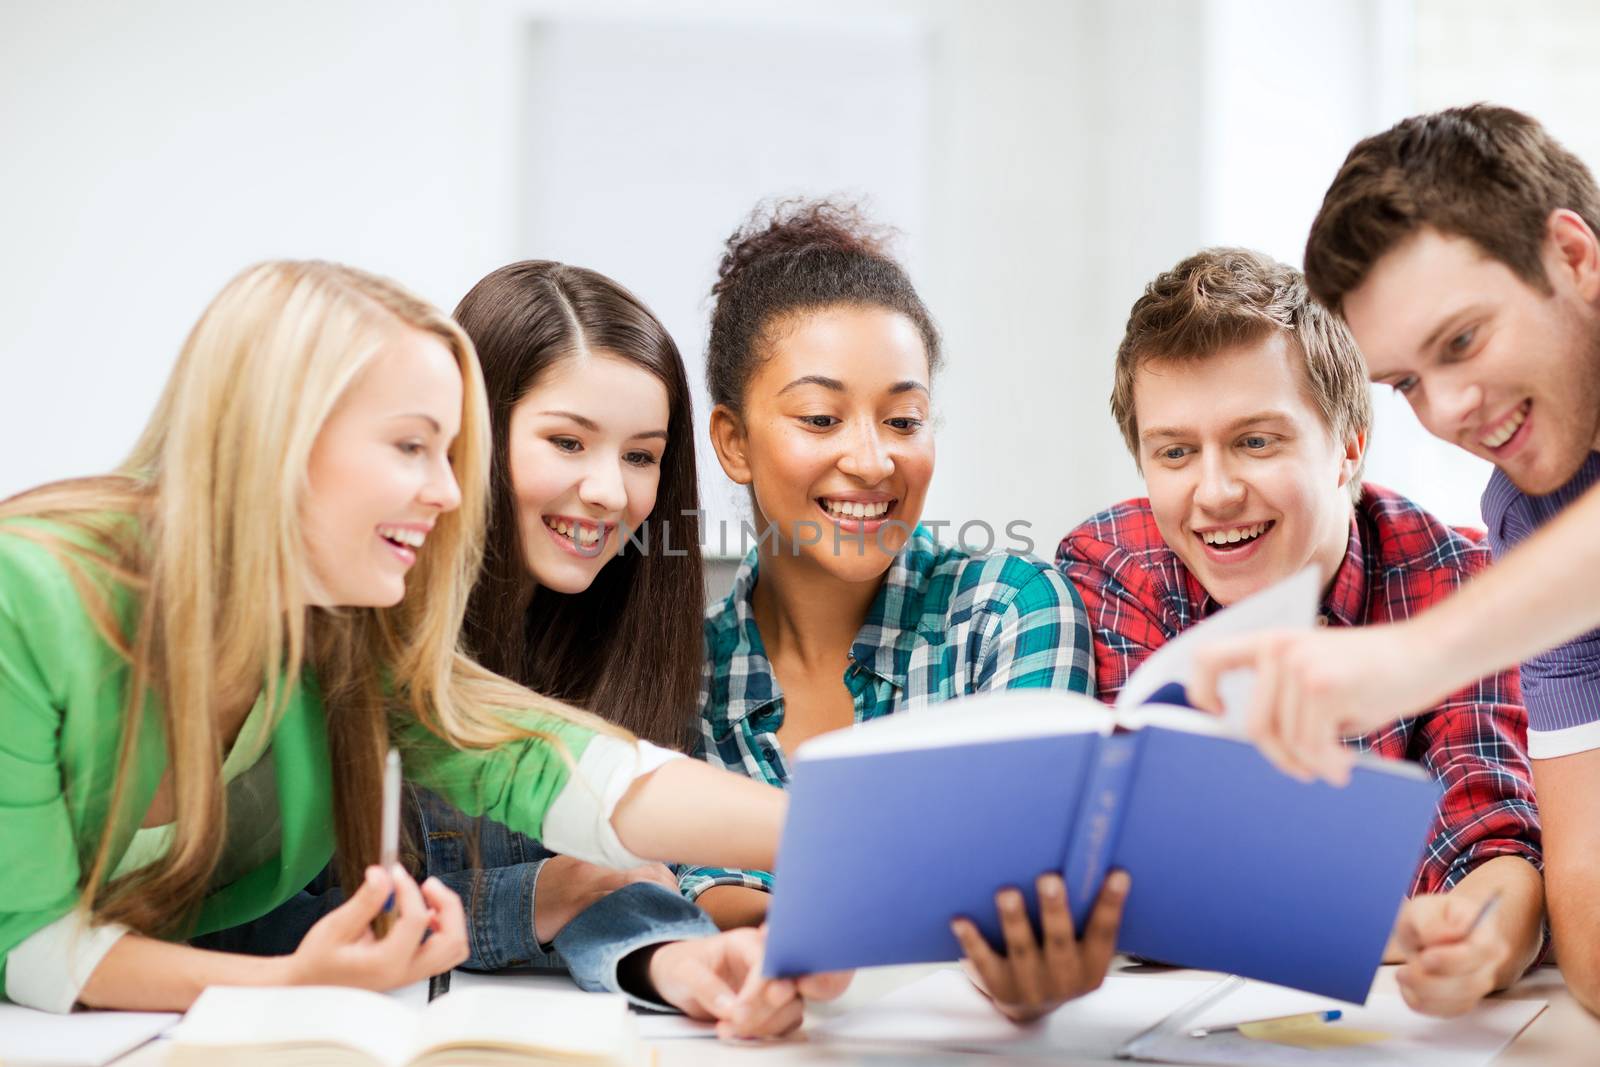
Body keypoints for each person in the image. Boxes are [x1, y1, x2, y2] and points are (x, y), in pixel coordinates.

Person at [0, 260, 821, 1037]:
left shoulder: (341, 625)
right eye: (411, 446)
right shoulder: (28, 594)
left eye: (452, 450)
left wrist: (837, 833)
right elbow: (32, 948)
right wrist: (297, 984)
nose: (453, 491)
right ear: (278, 435)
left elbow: (555, 766)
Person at [1178, 107, 1600, 1013]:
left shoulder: (1493, 576)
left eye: (1462, 342)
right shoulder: (1530, 514)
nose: (1447, 411)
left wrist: (1409, 657)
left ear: (1575, 256)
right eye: (1408, 381)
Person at [1056, 247, 1545, 1016]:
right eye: (1175, 452)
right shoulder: (1115, 563)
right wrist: (1376, 915)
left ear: (1348, 446)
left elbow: (1490, 843)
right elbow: (1141, 875)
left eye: (1257, 441)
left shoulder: (1458, 575)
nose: (1214, 492)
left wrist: (1481, 935)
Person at [685, 199, 1124, 1023]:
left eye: (904, 419)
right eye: (821, 418)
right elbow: (691, 900)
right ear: (734, 440)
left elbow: (1025, 886)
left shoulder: (1009, 610)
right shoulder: (685, 672)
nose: (873, 457)